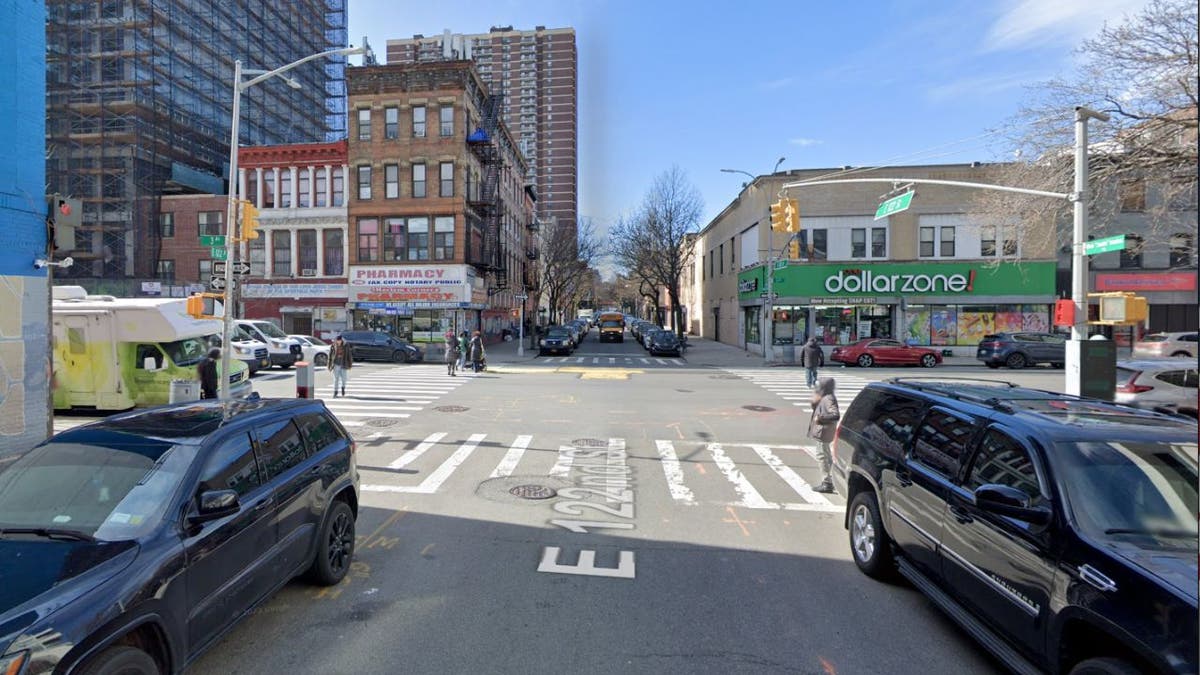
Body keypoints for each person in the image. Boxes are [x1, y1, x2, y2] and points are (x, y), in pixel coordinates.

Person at [808, 377, 840, 493]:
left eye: (819, 386)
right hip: (823, 431)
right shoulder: (825, 397)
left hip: (823, 432)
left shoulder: (828, 398)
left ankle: (827, 482)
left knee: (822, 457)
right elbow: (816, 407)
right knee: (825, 455)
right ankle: (830, 479)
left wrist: (820, 419)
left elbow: (835, 415)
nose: (817, 388)